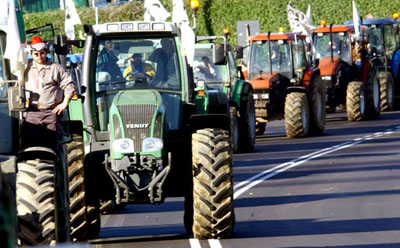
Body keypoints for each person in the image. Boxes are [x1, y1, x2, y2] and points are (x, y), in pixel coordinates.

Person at [23, 36, 76, 148]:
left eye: (42, 53)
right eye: (36, 54)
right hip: (31, 113)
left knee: (50, 144)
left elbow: (69, 85)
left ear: (46, 52)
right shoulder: (26, 68)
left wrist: (64, 103)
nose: (39, 56)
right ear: (31, 54)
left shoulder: (55, 68)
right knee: (30, 145)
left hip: (51, 113)